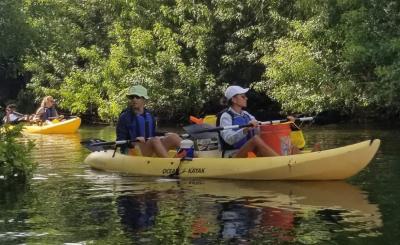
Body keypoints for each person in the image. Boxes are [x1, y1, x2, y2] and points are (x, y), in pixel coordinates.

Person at [116, 85, 182, 157]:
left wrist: (165, 134)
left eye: (137, 97)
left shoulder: (149, 115)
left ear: (144, 100)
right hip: (132, 150)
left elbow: (152, 134)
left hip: (148, 147)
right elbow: (120, 141)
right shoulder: (124, 117)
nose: (134, 99)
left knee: (174, 137)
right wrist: (133, 141)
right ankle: (170, 165)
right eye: (132, 97)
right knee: (155, 140)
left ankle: (192, 158)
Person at [217, 85, 279, 158]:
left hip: (248, 151)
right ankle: (281, 162)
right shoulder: (226, 116)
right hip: (232, 154)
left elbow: (260, 125)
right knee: (255, 139)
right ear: (234, 99)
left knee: (266, 139)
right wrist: (245, 129)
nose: (246, 98)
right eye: (243, 97)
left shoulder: (246, 114)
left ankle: (281, 160)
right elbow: (229, 139)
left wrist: (288, 122)